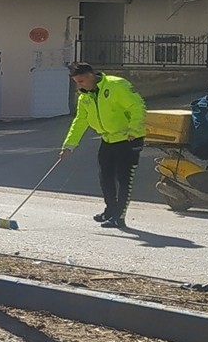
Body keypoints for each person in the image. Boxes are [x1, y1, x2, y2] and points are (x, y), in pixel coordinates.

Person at [59, 61, 147, 229]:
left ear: (91, 76)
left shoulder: (116, 85)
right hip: (108, 139)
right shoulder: (85, 96)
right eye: (76, 82)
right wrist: (69, 145)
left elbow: (138, 106)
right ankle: (110, 210)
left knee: (124, 179)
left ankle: (119, 217)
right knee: (105, 177)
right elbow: (80, 121)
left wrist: (134, 129)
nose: (79, 86)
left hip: (128, 139)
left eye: (81, 81)